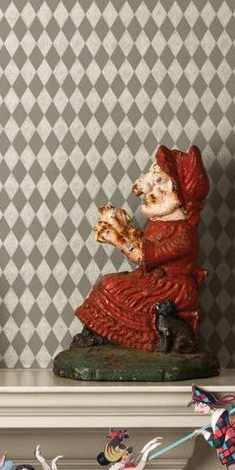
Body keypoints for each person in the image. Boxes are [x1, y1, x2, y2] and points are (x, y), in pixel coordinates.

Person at [74, 144, 210, 351]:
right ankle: (103, 333)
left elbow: (143, 256)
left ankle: (136, 337)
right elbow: (143, 242)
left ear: (179, 193)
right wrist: (123, 228)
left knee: (111, 286)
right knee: (108, 283)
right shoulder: (158, 224)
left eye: (159, 182)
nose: (148, 190)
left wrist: (117, 238)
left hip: (172, 287)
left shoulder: (184, 235)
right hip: (152, 279)